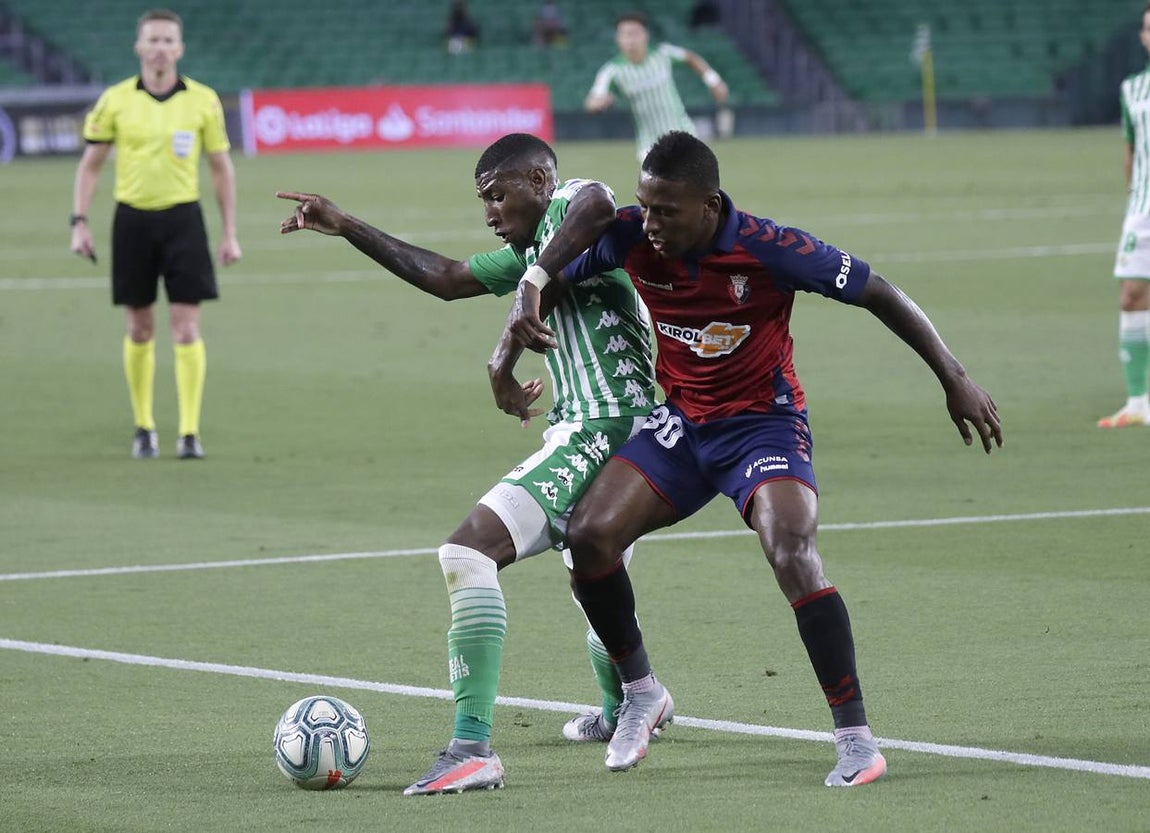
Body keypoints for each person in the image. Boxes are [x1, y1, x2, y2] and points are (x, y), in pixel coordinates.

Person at [499, 131, 1003, 784]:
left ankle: (856, 739)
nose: (649, 223)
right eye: (644, 206)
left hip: (763, 426)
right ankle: (641, 693)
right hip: (683, 425)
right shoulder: (630, 235)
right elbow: (549, 279)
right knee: (590, 536)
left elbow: (877, 290)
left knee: (790, 547)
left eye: (665, 211)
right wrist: (524, 311)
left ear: (710, 206)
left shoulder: (771, 248)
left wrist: (954, 377)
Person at [276, 132, 657, 795]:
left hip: (610, 424)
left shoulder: (569, 208)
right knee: (592, 570)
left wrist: (528, 292)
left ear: (538, 182)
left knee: (468, 552)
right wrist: (347, 226)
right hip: (611, 427)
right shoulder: (537, 249)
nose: (488, 212)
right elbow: (448, 278)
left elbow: (598, 201)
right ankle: (628, 701)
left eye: (497, 195)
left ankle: (471, 748)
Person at [70, 8, 241, 460]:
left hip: (184, 221)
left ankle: (189, 432)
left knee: (186, 329)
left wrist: (229, 233)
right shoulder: (115, 100)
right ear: (139, 47)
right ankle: (144, 426)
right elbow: (90, 166)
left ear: (179, 48)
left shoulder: (203, 101)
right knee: (139, 327)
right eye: (153, 40)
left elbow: (221, 169)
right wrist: (79, 221)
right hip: (132, 222)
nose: (160, 48)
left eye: (168, 40)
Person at [1099, 2, 1150, 428]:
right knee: (1132, 295)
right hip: (1144, 209)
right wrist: (1133, 194)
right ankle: (1138, 402)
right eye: (1148, 29)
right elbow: (1130, 150)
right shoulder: (1132, 89)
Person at [584, 12, 729, 161]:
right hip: (649, 146)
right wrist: (597, 104)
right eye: (625, 35)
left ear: (645, 35)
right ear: (618, 39)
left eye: (635, 33)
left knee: (694, 175)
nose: (630, 40)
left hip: (684, 134)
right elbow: (592, 101)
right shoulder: (611, 71)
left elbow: (690, 57)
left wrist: (713, 80)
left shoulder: (663, 54)